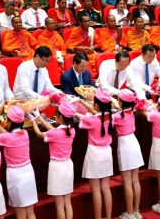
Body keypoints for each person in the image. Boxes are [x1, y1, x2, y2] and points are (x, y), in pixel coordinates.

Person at [0, 107, 38, 219]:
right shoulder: (25, 133)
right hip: (28, 173)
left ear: (10, 122)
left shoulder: (6, 138)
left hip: (16, 176)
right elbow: (7, 135)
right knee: (30, 212)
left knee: (21, 213)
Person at [29, 101, 76, 219]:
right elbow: (53, 130)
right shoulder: (71, 130)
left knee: (59, 205)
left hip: (57, 169)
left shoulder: (55, 133)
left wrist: (33, 120)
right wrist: (39, 116)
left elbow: (40, 134)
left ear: (60, 117)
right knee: (67, 202)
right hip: (68, 166)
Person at [72, 89, 114, 219]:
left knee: (96, 190)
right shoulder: (111, 117)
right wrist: (80, 101)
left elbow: (79, 115)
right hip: (107, 153)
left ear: (96, 105)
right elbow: (96, 111)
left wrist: (71, 105)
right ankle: (108, 217)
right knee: (106, 188)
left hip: (95, 154)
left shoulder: (92, 120)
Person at [111, 89, 143, 219]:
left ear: (121, 102)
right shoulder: (133, 113)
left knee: (128, 183)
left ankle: (129, 213)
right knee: (135, 181)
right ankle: (136, 211)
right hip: (134, 144)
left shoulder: (117, 117)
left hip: (125, 146)